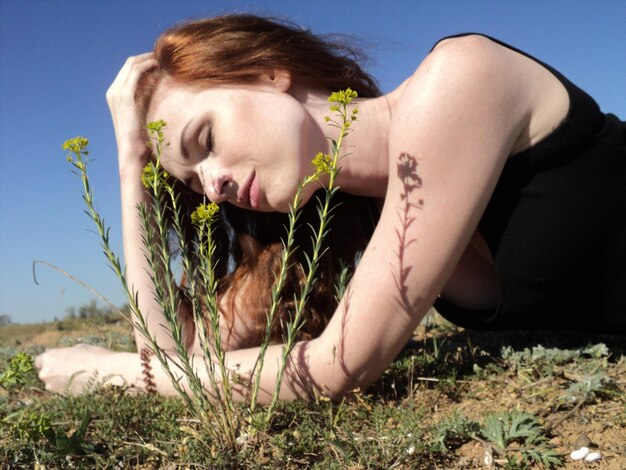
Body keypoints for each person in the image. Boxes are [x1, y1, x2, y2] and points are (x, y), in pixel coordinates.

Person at [36, 15, 626, 400]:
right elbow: (179, 358)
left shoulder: (460, 78)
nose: (212, 184)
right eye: (192, 183)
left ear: (267, 73)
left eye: (206, 142)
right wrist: (130, 165)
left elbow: (337, 365)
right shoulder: (353, 213)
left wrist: (110, 375)